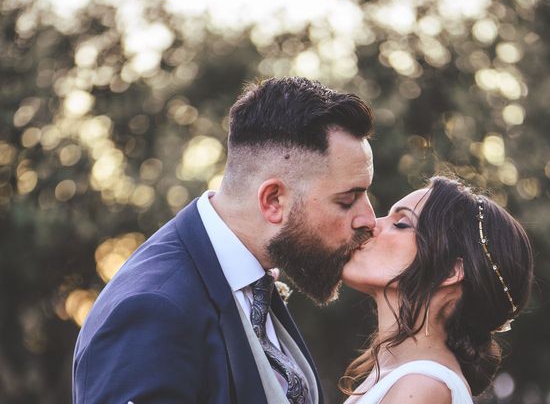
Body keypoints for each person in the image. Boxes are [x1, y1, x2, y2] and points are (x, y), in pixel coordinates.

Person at [72, 77, 377, 404]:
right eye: (347, 200)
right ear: (273, 200)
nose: (369, 219)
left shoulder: (252, 279)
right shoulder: (153, 309)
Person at [340, 176, 534, 404]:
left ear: (450, 271)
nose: (372, 224)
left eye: (401, 223)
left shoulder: (422, 388)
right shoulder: (399, 377)